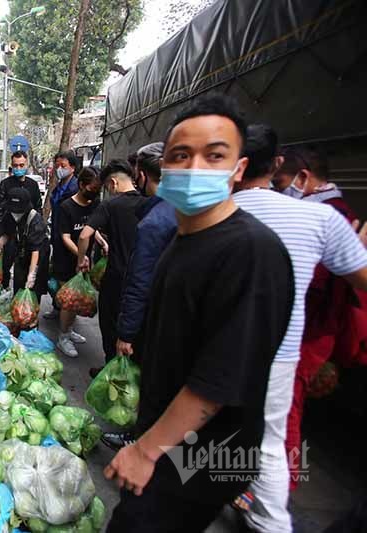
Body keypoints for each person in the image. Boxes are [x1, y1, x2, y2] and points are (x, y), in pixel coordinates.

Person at [103, 93, 294, 532]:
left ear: (239, 169)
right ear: (161, 168)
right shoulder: (182, 240)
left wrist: (146, 450)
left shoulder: (251, 251)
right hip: (175, 441)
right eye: (181, 155)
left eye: (215, 155)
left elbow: (217, 382)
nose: (194, 168)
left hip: (202, 453)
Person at [230, 127, 367, 532]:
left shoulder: (212, 213)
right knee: (272, 444)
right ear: (273, 165)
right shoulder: (323, 218)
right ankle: (266, 519)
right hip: (283, 350)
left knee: (204, 435)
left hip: (219, 348)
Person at [277, 145, 367, 494]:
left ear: (304, 178)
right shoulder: (325, 212)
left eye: (282, 181)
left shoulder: (331, 217)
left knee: (289, 411)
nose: (279, 189)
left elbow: (313, 284)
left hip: (311, 333)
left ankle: (279, 490)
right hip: (306, 330)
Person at [100, 142, 177, 451]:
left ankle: (140, 438)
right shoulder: (188, 212)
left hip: (155, 319)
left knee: (149, 381)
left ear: (142, 176)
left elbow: (140, 281)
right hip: (177, 318)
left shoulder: (155, 221)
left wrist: (127, 332)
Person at [76, 159, 144, 366]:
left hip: (116, 278)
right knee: (134, 330)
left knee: (110, 326)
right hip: (141, 279)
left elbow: (84, 235)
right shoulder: (147, 203)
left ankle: (110, 370)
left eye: (106, 187)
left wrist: (81, 259)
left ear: (113, 183)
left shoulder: (110, 205)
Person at [52, 166, 103, 357]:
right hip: (66, 260)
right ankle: (62, 337)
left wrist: (102, 242)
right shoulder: (66, 207)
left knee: (77, 299)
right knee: (69, 301)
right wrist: (80, 256)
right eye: (92, 187)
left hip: (84, 260)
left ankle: (69, 329)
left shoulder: (95, 203)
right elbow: (65, 237)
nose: (95, 192)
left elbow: (92, 228)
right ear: (81, 185)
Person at [0, 151, 43, 288]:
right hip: (9, 231)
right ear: (11, 165)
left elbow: (38, 207)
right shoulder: (5, 184)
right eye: (16, 165)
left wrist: (35, 227)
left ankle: (22, 287)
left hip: (27, 233)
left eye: (22, 165)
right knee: (5, 262)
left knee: (24, 264)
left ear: (26, 165)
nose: (19, 168)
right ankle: (4, 286)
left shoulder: (33, 185)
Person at [43, 151, 81, 320]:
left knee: (68, 283)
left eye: (63, 166)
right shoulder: (58, 187)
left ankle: (68, 323)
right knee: (56, 277)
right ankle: (57, 308)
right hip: (58, 238)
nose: (59, 169)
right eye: (57, 166)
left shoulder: (76, 188)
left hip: (71, 241)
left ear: (72, 168)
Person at [0, 188, 49, 297]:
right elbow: (7, 233)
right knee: (19, 286)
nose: (15, 213)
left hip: (37, 256)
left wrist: (32, 274)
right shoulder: (9, 214)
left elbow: (35, 250)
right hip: (21, 253)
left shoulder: (35, 220)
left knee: (33, 289)